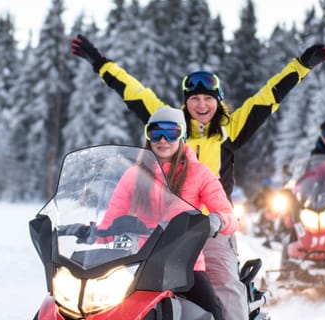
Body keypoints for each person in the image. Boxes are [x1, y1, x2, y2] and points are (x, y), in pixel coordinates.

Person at [71, 34, 325, 320]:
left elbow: (269, 96)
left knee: (223, 286)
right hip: (156, 231)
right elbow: (132, 91)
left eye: (208, 98)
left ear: (218, 102)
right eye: (194, 98)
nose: (201, 104)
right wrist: (99, 62)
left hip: (210, 229)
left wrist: (301, 65)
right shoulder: (169, 125)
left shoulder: (230, 130)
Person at [99, 107, 237, 320]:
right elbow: (111, 219)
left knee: (213, 312)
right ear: (148, 136)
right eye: (155, 133)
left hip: (185, 265)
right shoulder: (134, 174)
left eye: (170, 133)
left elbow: (227, 213)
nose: (163, 140)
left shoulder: (199, 173)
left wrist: (216, 220)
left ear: (181, 135)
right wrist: (90, 233)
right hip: (139, 265)